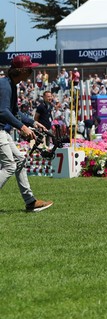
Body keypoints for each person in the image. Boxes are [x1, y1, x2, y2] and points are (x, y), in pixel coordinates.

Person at [0, 55, 53, 212]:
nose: (32, 71)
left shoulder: (11, 85)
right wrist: (22, 127)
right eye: (30, 69)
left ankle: (30, 202)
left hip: (2, 130)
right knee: (10, 166)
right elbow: (2, 111)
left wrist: (32, 123)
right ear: (21, 71)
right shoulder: (4, 85)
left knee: (20, 161)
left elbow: (14, 113)